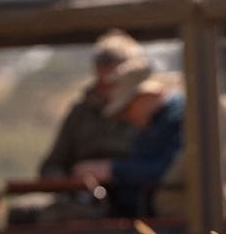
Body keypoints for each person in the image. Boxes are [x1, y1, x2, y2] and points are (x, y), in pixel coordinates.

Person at [72, 63, 184, 218]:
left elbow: (169, 172)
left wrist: (111, 170)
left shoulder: (183, 118)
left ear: (147, 95)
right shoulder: (152, 125)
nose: (126, 117)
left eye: (127, 108)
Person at [37, 30, 148, 178]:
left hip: (134, 193)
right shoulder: (80, 113)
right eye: (103, 66)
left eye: (116, 80)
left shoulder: (147, 109)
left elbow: (158, 165)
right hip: (83, 196)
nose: (109, 87)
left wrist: (114, 170)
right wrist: (70, 182)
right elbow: (52, 164)